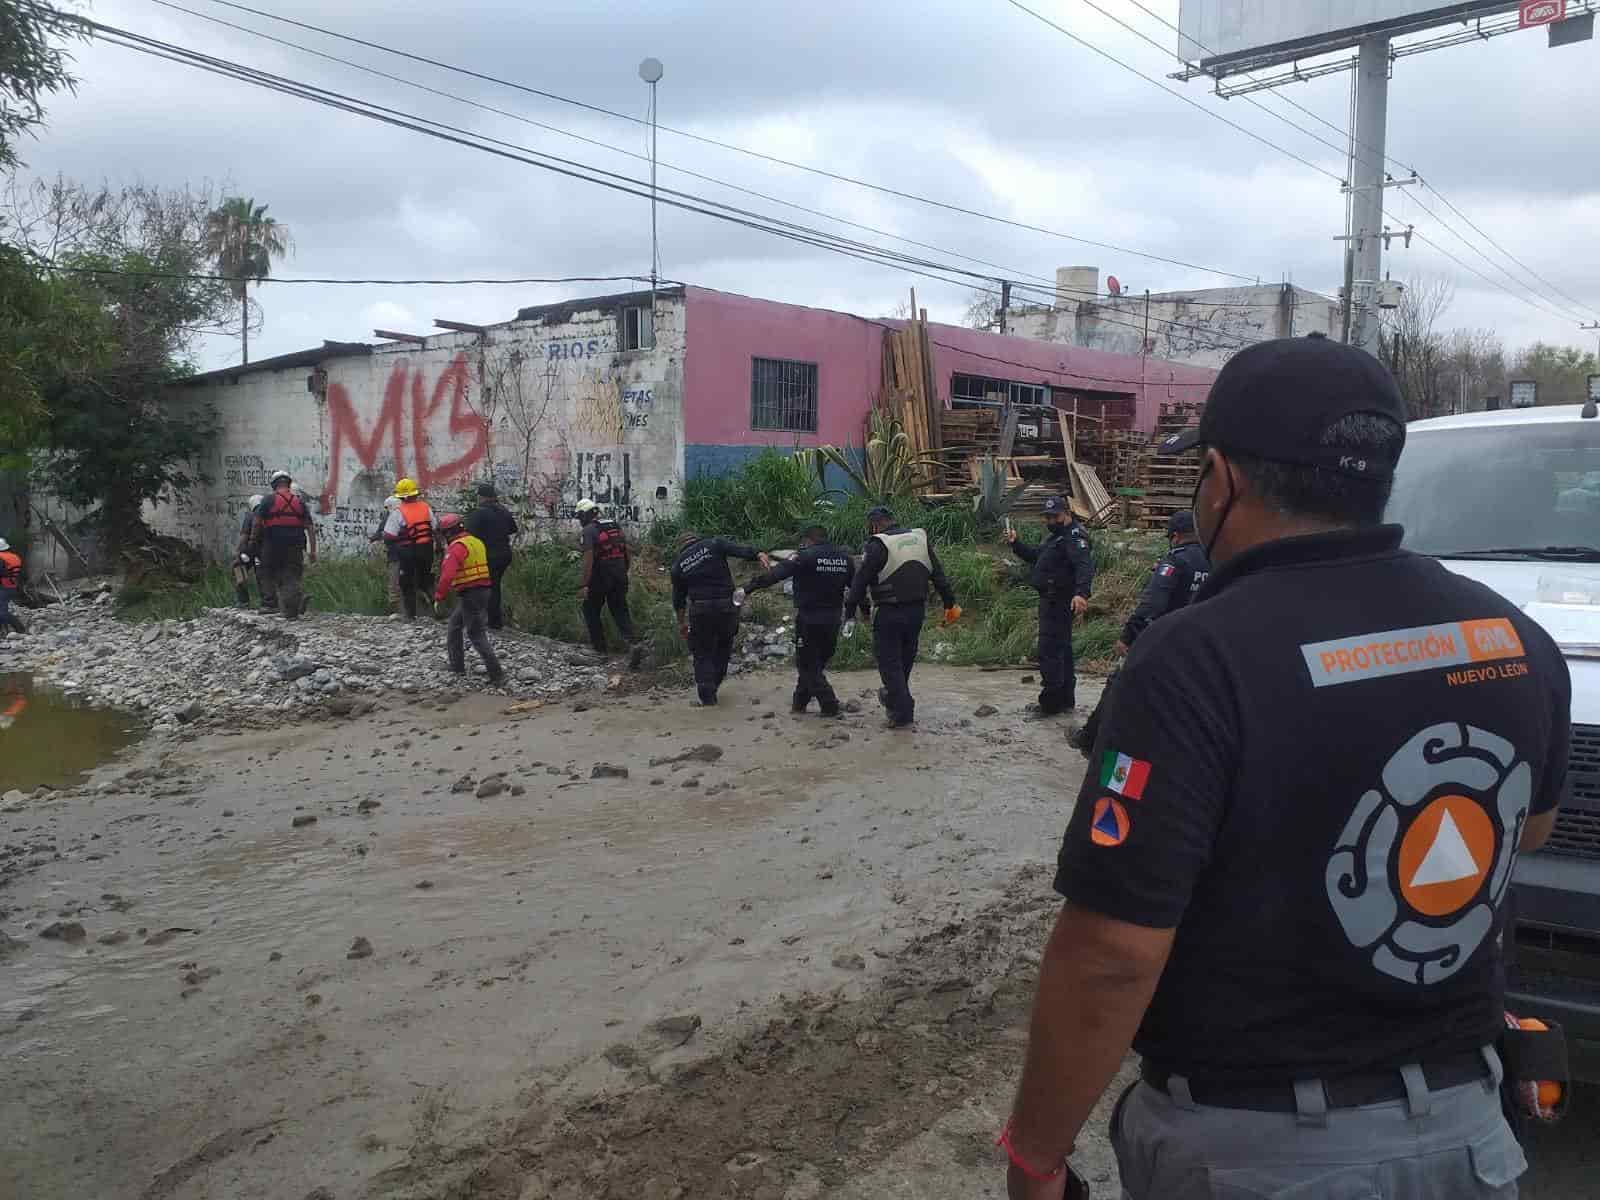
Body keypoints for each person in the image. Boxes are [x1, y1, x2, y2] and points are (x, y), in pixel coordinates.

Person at [998, 337, 1569, 1200]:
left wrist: (1035, 1157)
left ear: (1221, 480)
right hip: (1471, 1143)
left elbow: (1113, 951)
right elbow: (1527, 826)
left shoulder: (1194, 658)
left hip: (1258, 1157)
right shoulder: (1513, 639)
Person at [1072, 510, 1209, 757]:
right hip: (1196, 644)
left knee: (1118, 684)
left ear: (1175, 537)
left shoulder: (1175, 561)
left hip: (1160, 638)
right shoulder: (1214, 559)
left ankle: (1090, 740)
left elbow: (1152, 604)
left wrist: (1128, 636)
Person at [844, 506, 958, 729]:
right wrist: (949, 604)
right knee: (904, 660)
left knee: (889, 663)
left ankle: (903, 711)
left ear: (875, 525)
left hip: (889, 613)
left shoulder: (878, 544)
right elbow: (938, 575)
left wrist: (851, 612)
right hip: (916, 613)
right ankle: (896, 702)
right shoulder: (919, 538)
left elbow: (860, 581)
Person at [743, 525, 854, 717]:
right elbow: (857, 588)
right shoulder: (845, 559)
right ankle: (799, 703)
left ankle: (829, 705)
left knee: (807, 665)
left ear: (807, 540)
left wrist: (747, 588)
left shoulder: (804, 556)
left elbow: (775, 576)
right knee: (815, 663)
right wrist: (863, 611)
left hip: (810, 619)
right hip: (834, 619)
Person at [1005, 496, 1093, 721]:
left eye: (1055, 516)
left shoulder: (1074, 537)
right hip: (1051, 600)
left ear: (1067, 514)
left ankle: (1050, 704)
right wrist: (1016, 544)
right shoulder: (1056, 537)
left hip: (1060, 602)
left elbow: (1084, 566)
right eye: (1048, 516)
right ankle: (1065, 700)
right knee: (1062, 651)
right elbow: (1036, 557)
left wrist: (1081, 593)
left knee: (1050, 651)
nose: (1051, 520)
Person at [670, 531, 768, 706]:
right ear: (697, 539)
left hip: (700, 609)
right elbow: (739, 550)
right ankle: (714, 684)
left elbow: (678, 600)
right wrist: (758, 553)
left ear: (681, 546)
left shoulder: (678, 565)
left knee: (702, 652)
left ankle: (707, 694)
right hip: (726, 606)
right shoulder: (714, 544)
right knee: (724, 646)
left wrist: (681, 623)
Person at [433, 513, 506, 686]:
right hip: (482, 591)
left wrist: (439, 596)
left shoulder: (456, 547)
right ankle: (456, 666)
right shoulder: (476, 542)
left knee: (476, 634)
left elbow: (447, 575)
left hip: (471, 594)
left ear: (448, 533)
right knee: (454, 625)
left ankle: (496, 674)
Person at [574, 498, 638, 658]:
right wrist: (624, 571)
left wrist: (583, 585)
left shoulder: (588, 531)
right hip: (620, 575)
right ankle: (634, 644)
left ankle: (600, 650)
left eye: (579, 517)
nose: (579, 521)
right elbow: (626, 551)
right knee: (620, 610)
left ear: (584, 515)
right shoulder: (614, 526)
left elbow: (588, 560)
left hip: (601, 577)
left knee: (590, 610)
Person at [252, 471, 316, 620]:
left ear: (274, 485)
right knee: (291, 575)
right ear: (288, 484)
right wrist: (313, 551)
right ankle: (293, 608)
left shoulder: (268, 500)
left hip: (272, 544)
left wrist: (253, 541)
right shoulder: (300, 502)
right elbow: (310, 528)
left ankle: (269, 604)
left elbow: (256, 523)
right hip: (295, 545)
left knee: (266, 572)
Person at [465, 482, 519, 630]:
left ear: (481, 497)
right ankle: (493, 620)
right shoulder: (503, 510)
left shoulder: (479, 513)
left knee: (487, 587)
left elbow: (468, 534)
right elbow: (513, 529)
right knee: (494, 586)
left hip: (490, 555)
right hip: (505, 554)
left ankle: (492, 622)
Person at [383, 477, 437, 621]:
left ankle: (410, 615)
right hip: (426, 550)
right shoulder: (426, 507)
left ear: (402, 496)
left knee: (407, 583)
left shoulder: (398, 512)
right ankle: (436, 610)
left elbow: (388, 535)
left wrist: (400, 538)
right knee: (425, 581)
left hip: (408, 551)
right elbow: (435, 527)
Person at [368, 495, 402, 613]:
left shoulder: (391, 518)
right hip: (411, 554)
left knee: (394, 584)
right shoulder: (407, 515)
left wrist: (373, 539)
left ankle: (395, 611)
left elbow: (380, 533)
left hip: (395, 555)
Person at [233, 494, 264, 608]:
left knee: (239, 569)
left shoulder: (250, 515)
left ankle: (243, 601)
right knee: (261, 575)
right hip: (263, 550)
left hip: (249, 549)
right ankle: (267, 601)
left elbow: (244, 536)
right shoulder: (268, 515)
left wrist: (238, 551)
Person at [0, 537, 27, 637]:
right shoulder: (15, 557)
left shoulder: (1, 558)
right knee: (2, 608)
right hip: (11, 586)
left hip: (3, 587)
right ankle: (3, 631)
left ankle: (20, 628)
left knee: (1, 612)